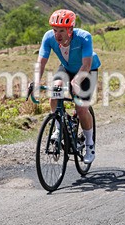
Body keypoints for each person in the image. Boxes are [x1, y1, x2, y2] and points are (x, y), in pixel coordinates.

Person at [33, 9, 101, 163]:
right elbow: (41, 61)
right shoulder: (48, 37)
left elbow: (87, 64)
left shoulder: (84, 37)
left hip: (87, 70)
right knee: (55, 90)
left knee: (81, 108)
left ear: (70, 29)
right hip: (67, 67)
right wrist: (36, 81)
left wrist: (76, 81)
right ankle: (58, 129)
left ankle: (89, 144)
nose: (57, 34)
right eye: (55, 30)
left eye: (61, 31)